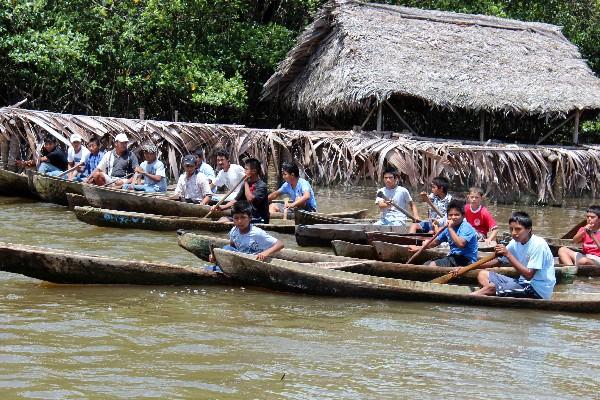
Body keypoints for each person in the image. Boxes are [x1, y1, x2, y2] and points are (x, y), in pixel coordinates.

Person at [471, 211, 555, 299]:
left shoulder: (538, 244)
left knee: (492, 288)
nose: (514, 233)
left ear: (529, 229)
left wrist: (508, 254)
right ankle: (490, 290)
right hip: (522, 282)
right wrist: (471, 266)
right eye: (511, 229)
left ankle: (479, 294)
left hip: (537, 290)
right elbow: (497, 261)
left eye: (518, 229)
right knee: (483, 274)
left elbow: (529, 275)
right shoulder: (514, 242)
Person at [408, 199, 478, 267]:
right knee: (427, 264)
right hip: (454, 257)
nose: (453, 217)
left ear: (463, 216)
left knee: (432, 265)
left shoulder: (466, 227)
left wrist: (450, 228)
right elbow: (434, 243)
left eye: (456, 215)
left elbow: (461, 244)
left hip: (467, 260)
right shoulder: (447, 229)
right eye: (450, 215)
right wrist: (418, 248)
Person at [211, 200, 284, 262]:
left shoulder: (257, 233)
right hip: (240, 258)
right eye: (236, 218)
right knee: (226, 248)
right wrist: (217, 256)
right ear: (232, 219)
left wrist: (265, 253)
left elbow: (280, 244)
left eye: (243, 217)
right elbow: (232, 246)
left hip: (254, 260)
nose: (239, 221)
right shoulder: (234, 231)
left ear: (250, 218)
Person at [212, 158, 269, 223]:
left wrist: (246, 182)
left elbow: (250, 199)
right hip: (246, 216)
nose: (244, 171)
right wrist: (223, 207)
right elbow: (236, 200)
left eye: (246, 169)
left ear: (254, 171)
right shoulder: (245, 184)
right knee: (222, 219)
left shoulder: (261, 186)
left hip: (259, 218)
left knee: (226, 220)